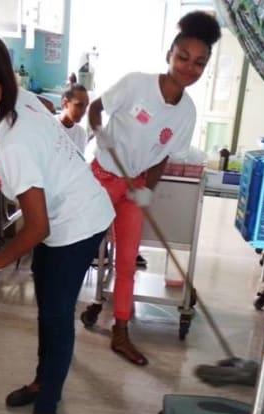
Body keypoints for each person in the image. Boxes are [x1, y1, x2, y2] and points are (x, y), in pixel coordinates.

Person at [0, 35, 114, 414]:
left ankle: (47, 407)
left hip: (76, 222)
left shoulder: (14, 144)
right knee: (46, 303)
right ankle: (43, 378)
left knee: (57, 316)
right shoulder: (22, 101)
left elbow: (34, 228)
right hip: (64, 211)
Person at [87, 11, 221, 366]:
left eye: (199, 63)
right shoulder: (136, 84)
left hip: (134, 187)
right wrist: (99, 132)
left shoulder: (186, 114)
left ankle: (121, 332)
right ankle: (62, 315)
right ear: (169, 55)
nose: (189, 68)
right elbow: (95, 108)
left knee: (128, 261)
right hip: (102, 177)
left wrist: (148, 187)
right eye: (183, 57)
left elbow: (163, 155)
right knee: (82, 249)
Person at [58, 83, 89, 154]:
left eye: (86, 106)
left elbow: (78, 162)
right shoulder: (51, 126)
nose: (84, 111)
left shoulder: (81, 133)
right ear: (65, 103)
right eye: (79, 105)